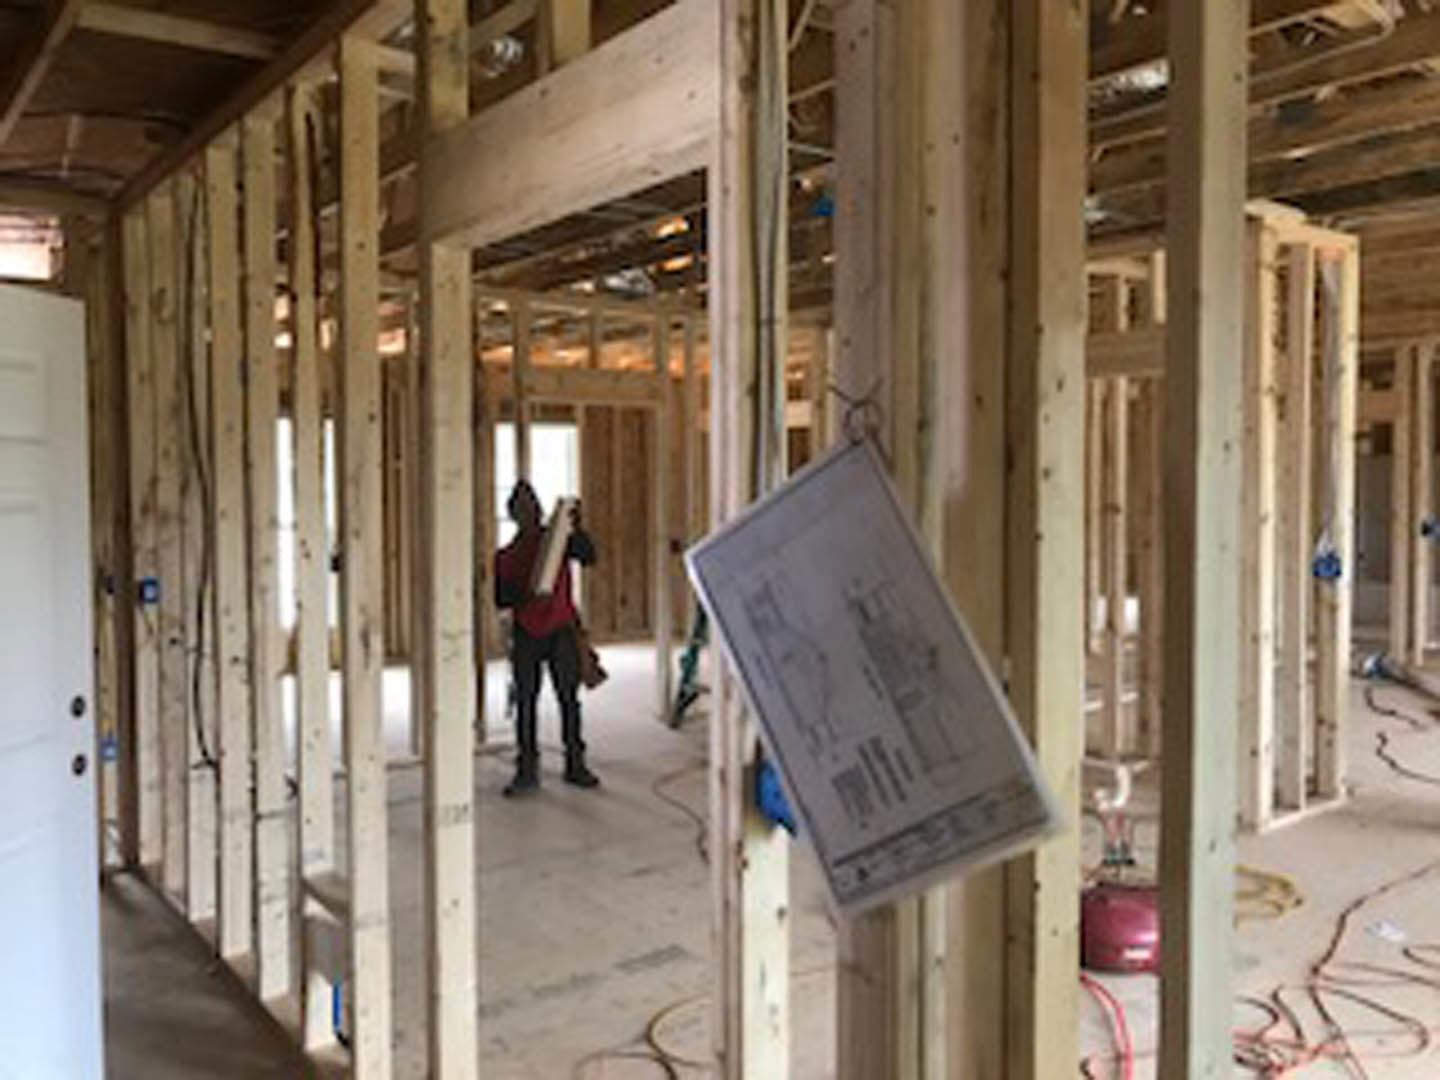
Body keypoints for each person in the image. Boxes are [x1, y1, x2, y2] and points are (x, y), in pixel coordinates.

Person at [494, 479, 600, 796]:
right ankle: (527, 770)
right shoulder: (507, 557)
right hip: (527, 634)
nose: (532, 511)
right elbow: (500, 598)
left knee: (569, 699)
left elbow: (589, 556)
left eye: (535, 505)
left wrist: (577, 528)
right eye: (524, 508)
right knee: (526, 701)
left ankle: (575, 764)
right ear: (515, 515)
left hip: (561, 631)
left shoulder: (556, 542)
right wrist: (528, 598)